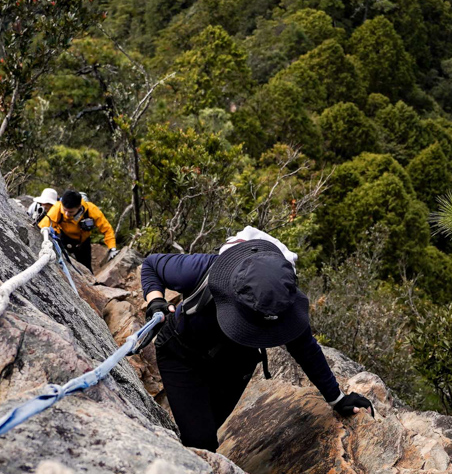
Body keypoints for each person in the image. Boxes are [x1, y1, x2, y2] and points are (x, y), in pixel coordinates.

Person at [141, 236, 373, 451]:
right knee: (201, 441)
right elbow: (151, 265)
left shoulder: (282, 302)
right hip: (182, 353)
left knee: (205, 431)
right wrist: (155, 301)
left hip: (234, 368)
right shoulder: (204, 269)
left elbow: (306, 350)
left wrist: (337, 398)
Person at [39, 189, 117, 271]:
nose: (66, 214)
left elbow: (106, 228)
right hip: (64, 238)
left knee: (87, 268)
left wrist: (112, 248)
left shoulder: (91, 210)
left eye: (70, 212)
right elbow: (44, 225)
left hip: (83, 242)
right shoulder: (57, 208)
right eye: (64, 210)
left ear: (79, 207)